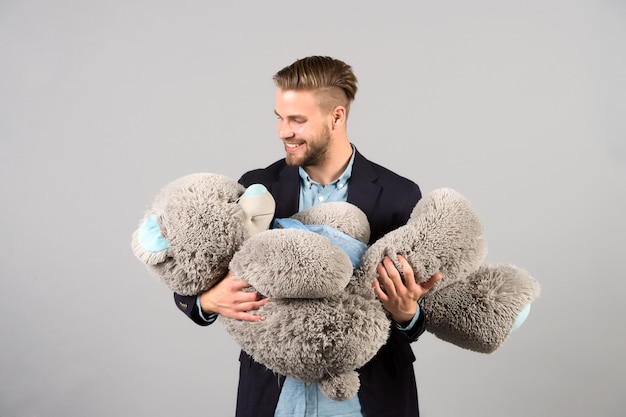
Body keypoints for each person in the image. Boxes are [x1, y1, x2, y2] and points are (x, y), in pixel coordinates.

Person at [173, 56, 442, 417]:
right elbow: (197, 262)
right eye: (279, 118)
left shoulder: (399, 194)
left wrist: (408, 313)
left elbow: (428, 308)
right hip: (275, 395)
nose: (283, 131)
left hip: (367, 395)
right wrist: (207, 301)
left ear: (337, 117)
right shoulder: (257, 187)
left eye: (297, 120)